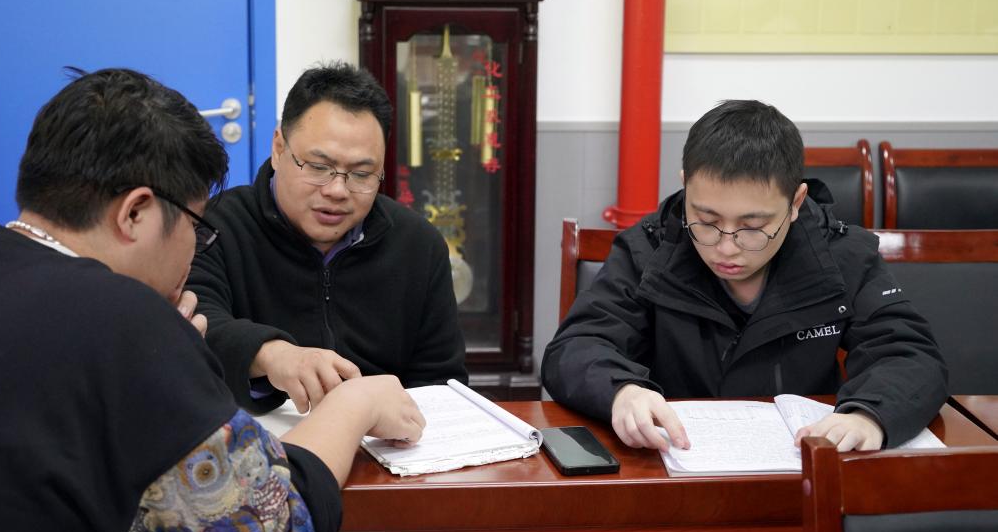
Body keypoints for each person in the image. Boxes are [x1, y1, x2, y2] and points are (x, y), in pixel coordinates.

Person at [0, 68, 425, 532]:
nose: (195, 246)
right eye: (195, 225)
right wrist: (354, 405)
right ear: (136, 213)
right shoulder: (124, 322)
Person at [542, 100, 947, 454]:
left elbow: (909, 355)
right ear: (685, 187)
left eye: (753, 227)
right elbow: (577, 346)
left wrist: (868, 415)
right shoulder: (648, 249)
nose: (726, 247)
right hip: (670, 465)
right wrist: (621, 391)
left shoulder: (841, 256)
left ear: (795, 202)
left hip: (800, 474)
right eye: (706, 220)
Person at [188, 62, 468, 416]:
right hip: (256, 434)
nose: (337, 190)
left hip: (383, 436)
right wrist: (272, 354)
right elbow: (194, 324)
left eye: (362, 174)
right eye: (319, 167)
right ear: (278, 148)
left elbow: (441, 381)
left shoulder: (418, 244)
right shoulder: (215, 225)